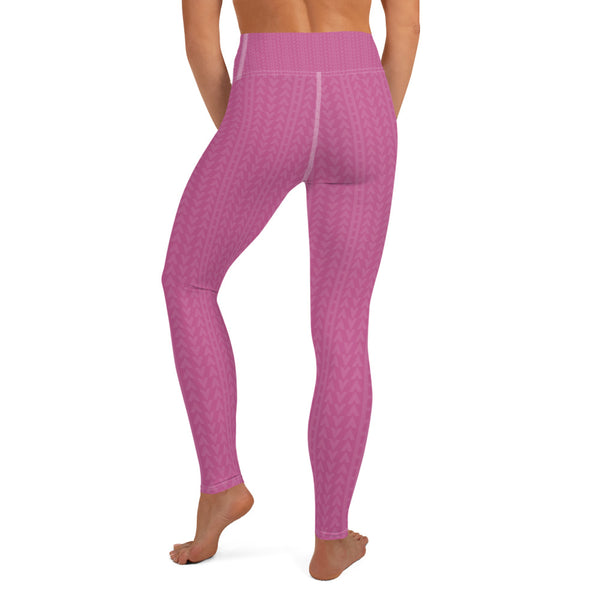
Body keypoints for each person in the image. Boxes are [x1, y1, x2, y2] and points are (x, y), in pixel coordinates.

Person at [162, 0, 420, 581]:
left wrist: (250, 136)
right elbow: (406, 29)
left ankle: (222, 485)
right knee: (344, 323)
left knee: (188, 282)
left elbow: (200, 38)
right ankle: (332, 539)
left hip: (268, 99)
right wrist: (375, 123)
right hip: (363, 99)